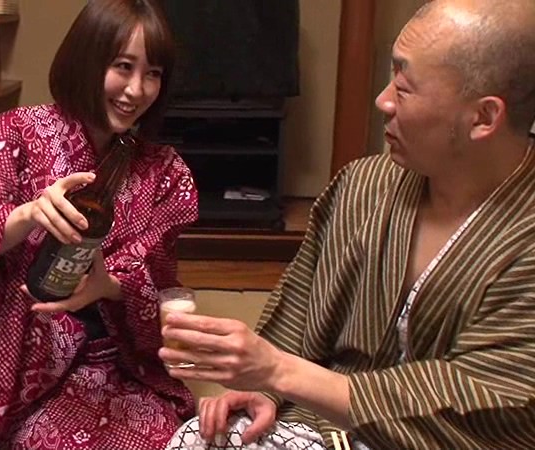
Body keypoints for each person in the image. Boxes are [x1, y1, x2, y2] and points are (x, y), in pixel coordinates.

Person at [159, 0, 535, 448]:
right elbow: (299, 310)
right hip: (321, 421)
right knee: (202, 437)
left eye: (405, 87)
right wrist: (263, 386)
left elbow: (486, 402)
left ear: (483, 117)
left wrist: (279, 370)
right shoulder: (365, 185)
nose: (383, 100)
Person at [0, 0, 198, 448]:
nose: (136, 90)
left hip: (125, 366)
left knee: (168, 440)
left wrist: (111, 286)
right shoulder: (14, 135)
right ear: (87, 59)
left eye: (152, 73)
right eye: (123, 66)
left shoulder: (164, 172)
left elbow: (163, 287)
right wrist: (27, 214)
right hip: (34, 371)